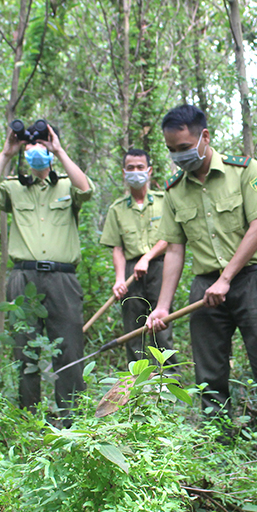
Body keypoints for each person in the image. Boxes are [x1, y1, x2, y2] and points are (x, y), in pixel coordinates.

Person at [146, 104, 257, 461]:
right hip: (205, 288)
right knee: (210, 377)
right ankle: (221, 459)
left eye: (183, 146)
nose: (178, 155)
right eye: (171, 150)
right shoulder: (174, 191)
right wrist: (163, 306)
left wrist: (227, 278)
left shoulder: (244, 171)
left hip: (251, 281)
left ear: (205, 137)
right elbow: (174, 250)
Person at [0, 125, 95, 423]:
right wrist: (7, 153)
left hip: (62, 279)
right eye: (30, 147)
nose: (36, 151)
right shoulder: (14, 187)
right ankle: (27, 421)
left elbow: (87, 190)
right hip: (23, 279)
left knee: (69, 350)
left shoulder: (66, 185)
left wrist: (58, 149)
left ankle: (71, 422)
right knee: (23, 350)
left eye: (40, 144)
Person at [99, 148, 173, 366]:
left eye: (140, 167)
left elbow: (170, 237)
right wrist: (120, 279)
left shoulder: (164, 201)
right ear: (124, 173)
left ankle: (168, 385)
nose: (135, 172)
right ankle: (136, 388)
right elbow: (118, 248)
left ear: (149, 171)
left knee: (161, 329)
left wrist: (148, 258)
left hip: (160, 268)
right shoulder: (117, 209)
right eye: (130, 168)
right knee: (133, 332)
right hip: (132, 273)